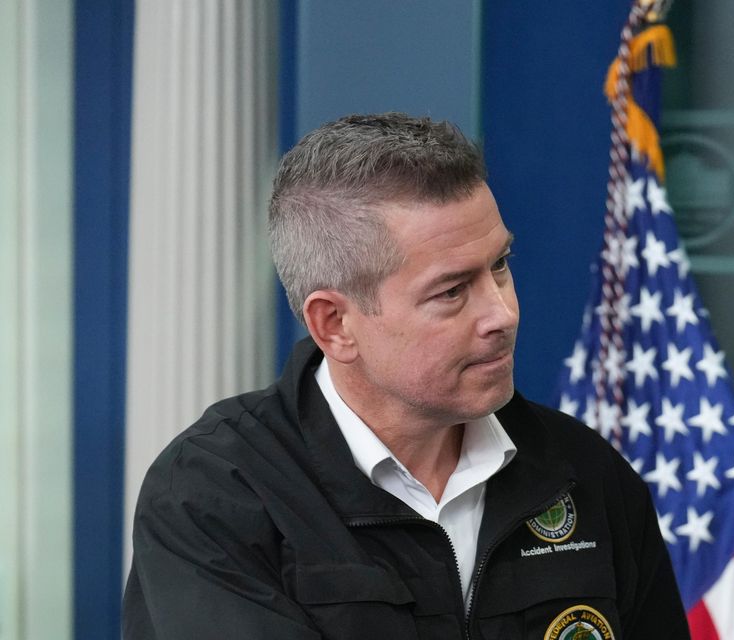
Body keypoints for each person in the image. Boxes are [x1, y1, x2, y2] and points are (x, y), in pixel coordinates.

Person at [122, 112, 689, 639]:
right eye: (451, 291)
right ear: (335, 323)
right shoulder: (215, 494)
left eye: (500, 266)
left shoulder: (582, 472)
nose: (502, 313)